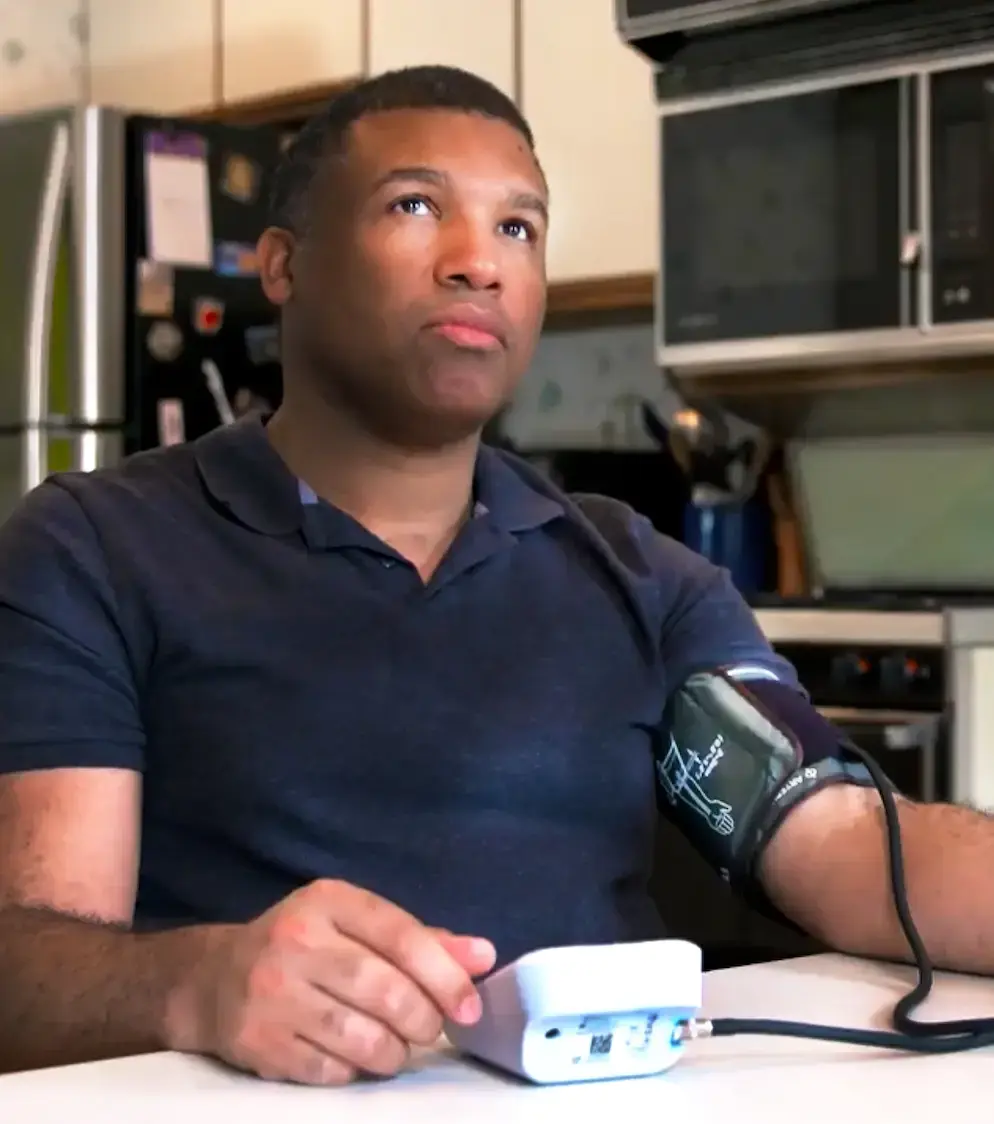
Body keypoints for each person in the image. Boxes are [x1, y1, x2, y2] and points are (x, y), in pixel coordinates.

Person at [0, 65, 990, 1088]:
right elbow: (22, 971)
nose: (479, 262)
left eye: (518, 228)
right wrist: (199, 984)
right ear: (285, 265)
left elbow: (843, 840)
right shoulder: (94, 547)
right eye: (415, 206)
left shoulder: (641, 575)